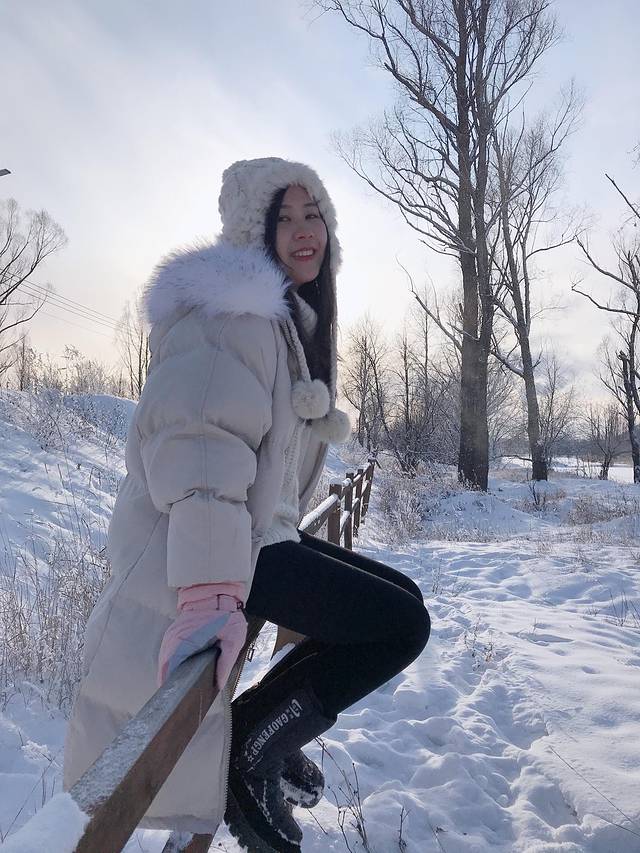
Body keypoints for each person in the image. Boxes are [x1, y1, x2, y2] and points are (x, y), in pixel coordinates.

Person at [63, 157, 431, 852]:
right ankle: (253, 748)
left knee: (402, 602)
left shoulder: (280, 322)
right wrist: (208, 596)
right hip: (208, 554)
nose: (303, 231)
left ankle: (263, 731)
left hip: (253, 538)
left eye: (313, 215)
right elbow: (200, 448)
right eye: (282, 218)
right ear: (250, 232)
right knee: (399, 625)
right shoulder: (229, 316)